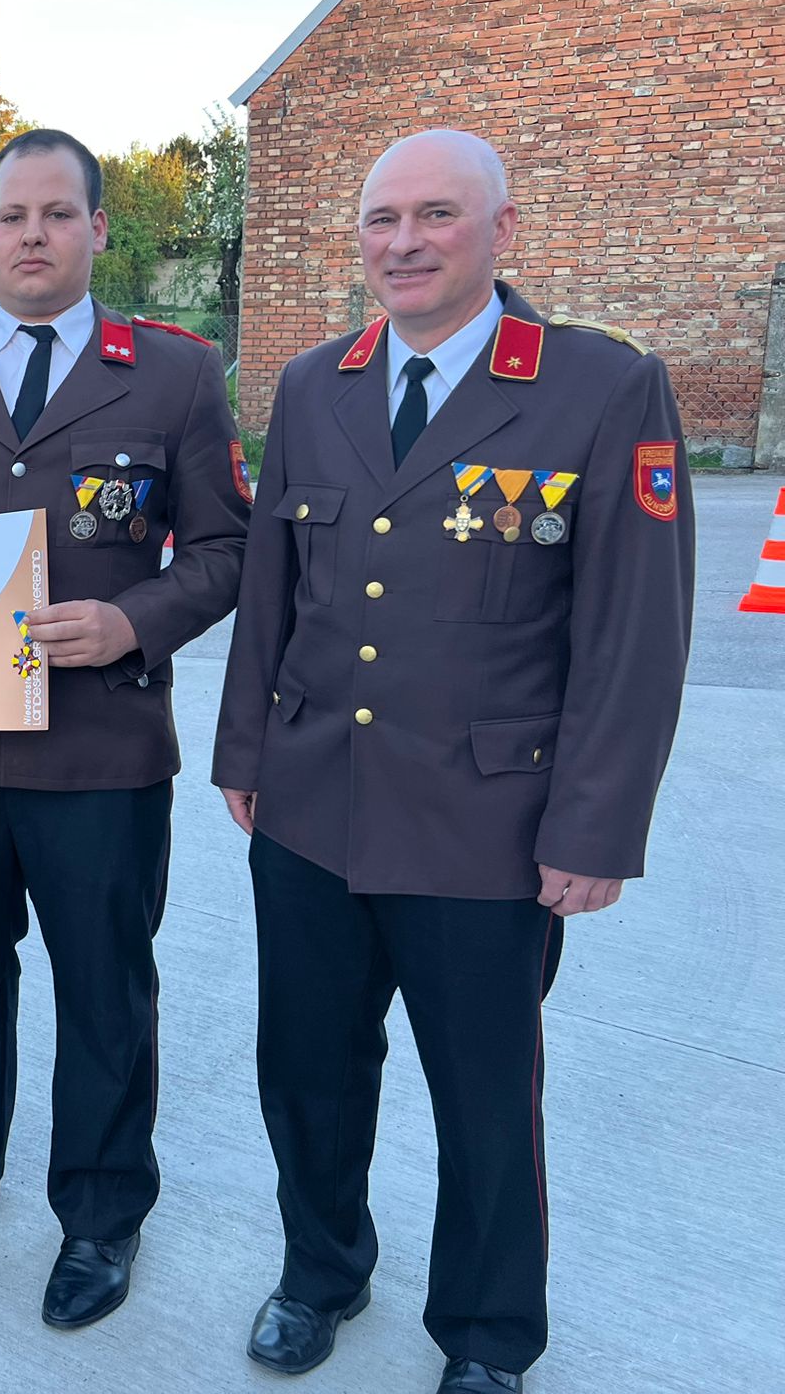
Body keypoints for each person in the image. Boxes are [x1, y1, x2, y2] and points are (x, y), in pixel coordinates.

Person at [213, 129, 695, 1394]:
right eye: (381, 219)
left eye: (434, 215)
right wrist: (243, 750)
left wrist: (593, 828)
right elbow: (271, 591)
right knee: (305, 1072)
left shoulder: (599, 386)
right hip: (310, 808)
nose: (403, 242)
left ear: (501, 230)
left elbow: (632, 635)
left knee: (482, 1100)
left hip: (485, 825)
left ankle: (485, 1334)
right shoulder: (313, 383)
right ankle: (318, 1273)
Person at [0, 129, 250, 1327]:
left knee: (104, 995)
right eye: (11, 215)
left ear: (96, 231)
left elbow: (225, 547)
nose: (32, 234)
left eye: (57, 213)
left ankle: (100, 1215)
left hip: (96, 758)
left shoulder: (173, 373)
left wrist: (131, 622)